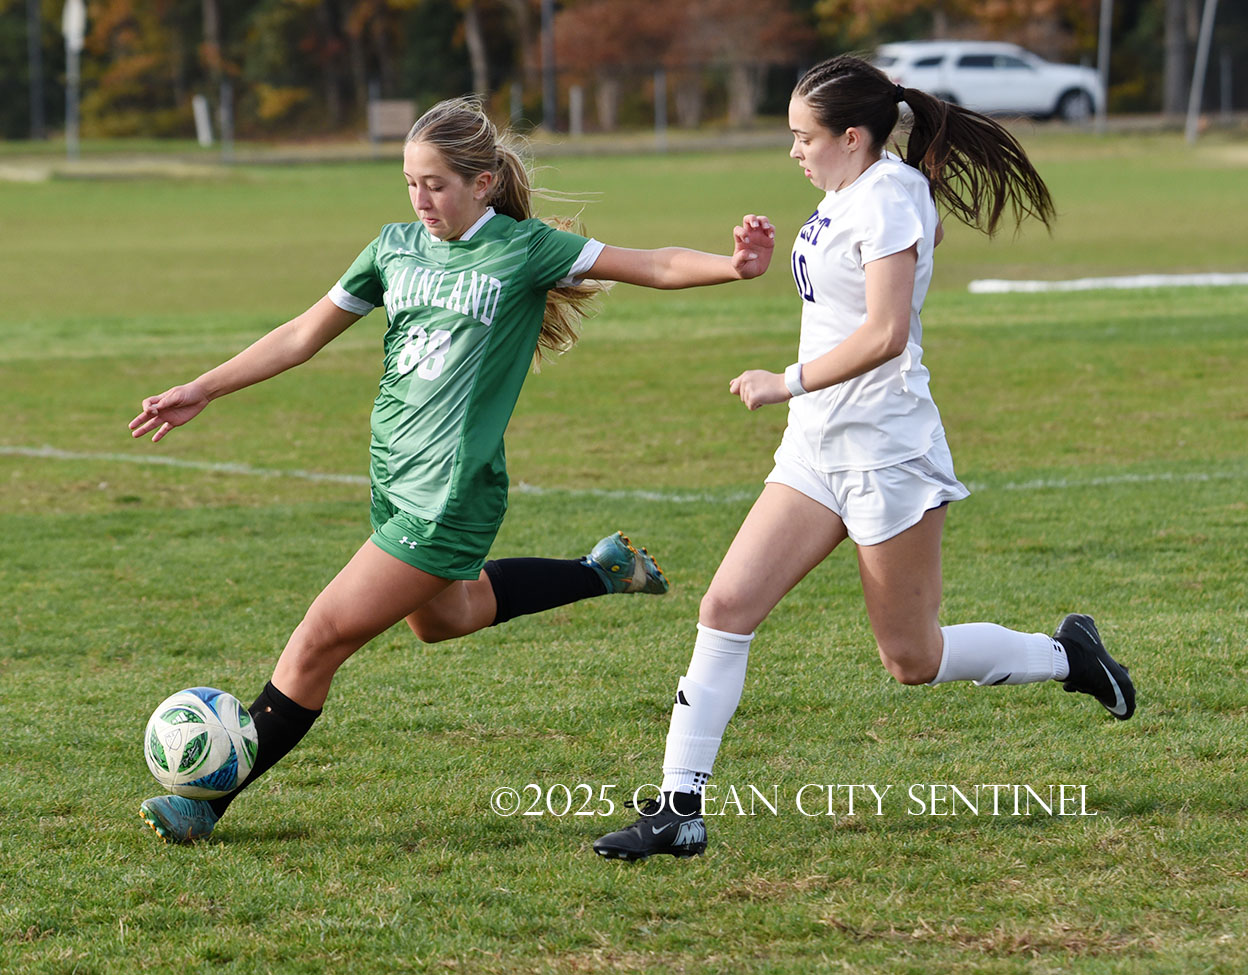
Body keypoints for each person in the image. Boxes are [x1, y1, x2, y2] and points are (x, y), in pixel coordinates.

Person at [129, 96, 776, 844]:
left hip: (450, 495)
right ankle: (600, 570)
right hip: (393, 480)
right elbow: (303, 334)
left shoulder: (525, 249)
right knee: (445, 619)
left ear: (483, 182)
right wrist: (204, 387)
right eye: (410, 183)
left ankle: (207, 802)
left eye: (435, 184)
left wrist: (733, 266)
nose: (421, 199)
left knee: (318, 640)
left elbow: (651, 263)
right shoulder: (393, 248)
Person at [592, 55, 1135, 862]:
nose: (792, 151)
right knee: (726, 607)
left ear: (852, 136)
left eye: (803, 136)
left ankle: (1069, 656)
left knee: (912, 658)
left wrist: (784, 380)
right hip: (816, 448)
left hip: (886, 453)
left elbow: (885, 333)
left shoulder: (885, 194)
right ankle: (680, 810)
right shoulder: (863, 189)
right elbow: (909, 242)